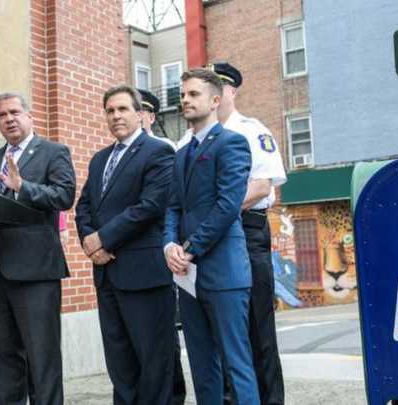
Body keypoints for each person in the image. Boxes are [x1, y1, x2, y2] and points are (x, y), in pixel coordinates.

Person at [75, 85, 176, 405]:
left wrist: (103, 238)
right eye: (110, 110)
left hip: (143, 272)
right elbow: (84, 208)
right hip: (106, 272)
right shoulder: (99, 158)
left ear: (139, 113)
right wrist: (91, 245)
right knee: (120, 360)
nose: (116, 116)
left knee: (153, 359)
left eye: (122, 109)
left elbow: (150, 206)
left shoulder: (158, 151)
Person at [163, 68, 259, 404]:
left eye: (193, 94)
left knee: (237, 363)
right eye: (183, 94)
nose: (185, 100)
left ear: (215, 100)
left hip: (224, 272)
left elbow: (228, 206)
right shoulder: (180, 153)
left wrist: (188, 248)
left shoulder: (232, 143)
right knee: (202, 365)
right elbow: (173, 207)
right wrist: (169, 245)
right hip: (188, 275)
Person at [0, 92, 76, 405]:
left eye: (14, 112)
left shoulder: (53, 152)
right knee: (4, 359)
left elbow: (64, 196)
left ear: (29, 115)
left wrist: (23, 187)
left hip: (36, 272)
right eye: (1, 115)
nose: (8, 119)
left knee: (43, 358)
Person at [208, 62, 288, 405]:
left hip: (247, 230)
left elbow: (263, 187)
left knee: (258, 331)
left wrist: (217, 210)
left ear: (230, 91)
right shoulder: (195, 137)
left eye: (218, 87)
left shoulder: (252, 130)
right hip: (210, 239)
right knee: (219, 334)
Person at [137, 87, 188, 405]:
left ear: (151, 116)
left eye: (141, 110)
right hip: (130, 257)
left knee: (163, 332)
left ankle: (173, 396)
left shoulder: (165, 148)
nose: (136, 116)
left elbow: (164, 205)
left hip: (158, 251)